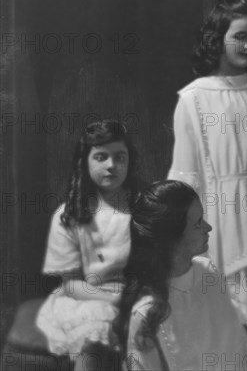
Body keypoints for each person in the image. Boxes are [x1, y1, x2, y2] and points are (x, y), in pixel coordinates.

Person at [168, 0, 247, 312]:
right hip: (220, 214)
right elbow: (185, 176)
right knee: (230, 304)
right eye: (240, 36)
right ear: (216, 40)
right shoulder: (194, 99)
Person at [116, 180, 247, 371]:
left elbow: (242, 348)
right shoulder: (145, 313)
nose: (208, 228)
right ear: (171, 239)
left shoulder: (208, 273)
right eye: (198, 223)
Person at [36, 120, 141, 370]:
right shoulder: (70, 215)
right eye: (101, 157)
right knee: (96, 327)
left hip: (138, 294)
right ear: (85, 162)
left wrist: (132, 296)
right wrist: (113, 298)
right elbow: (70, 283)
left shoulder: (143, 208)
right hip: (84, 297)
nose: (111, 166)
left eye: (120, 157)